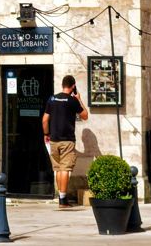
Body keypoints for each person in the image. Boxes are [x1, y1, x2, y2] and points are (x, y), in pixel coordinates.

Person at [42, 75, 88, 207]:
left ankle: (60, 197)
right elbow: (85, 116)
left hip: (53, 140)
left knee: (57, 169)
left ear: (62, 85)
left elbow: (45, 120)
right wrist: (79, 99)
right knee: (65, 169)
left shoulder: (52, 99)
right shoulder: (72, 100)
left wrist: (46, 134)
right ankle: (63, 200)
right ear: (73, 86)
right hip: (67, 140)